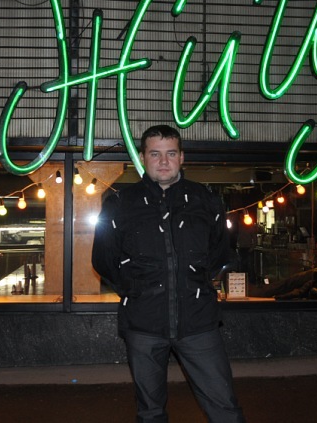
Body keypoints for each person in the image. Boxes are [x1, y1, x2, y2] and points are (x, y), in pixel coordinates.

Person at [92, 125, 244, 423]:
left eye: (171, 153)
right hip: (143, 324)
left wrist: (196, 283)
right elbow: (104, 260)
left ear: (181, 157)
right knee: (150, 412)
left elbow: (219, 253)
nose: (163, 161)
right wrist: (135, 290)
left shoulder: (205, 200)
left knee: (224, 405)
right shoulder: (120, 204)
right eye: (155, 154)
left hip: (199, 322)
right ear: (142, 157)